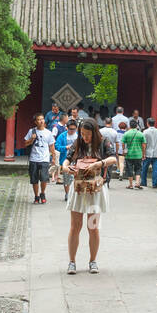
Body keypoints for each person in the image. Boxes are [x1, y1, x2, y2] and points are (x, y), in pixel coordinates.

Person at [63, 118, 119, 275]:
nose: (85, 137)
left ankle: (93, 261)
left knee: (92, 227)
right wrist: (67, 168)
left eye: (87, 134)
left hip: (95, 191)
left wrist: (98, 164)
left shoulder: (103, 142)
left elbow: (113, 158)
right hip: (79, 189)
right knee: (75, 226)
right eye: (82, 134)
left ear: (94, 132)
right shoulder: (78, 143)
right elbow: (66, 161)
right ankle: (72, 261)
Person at [23, 113, 53, 204]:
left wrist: (54, 158)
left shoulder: (48, 132)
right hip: (34, 158)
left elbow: (51, 146)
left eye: (42, 119)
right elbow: (25, 144)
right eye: (39, 120)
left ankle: (42, 193)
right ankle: (36, 196)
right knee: (34, 179)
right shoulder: (31, 131)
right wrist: (31, 139)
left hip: (44, 158)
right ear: (35, 122)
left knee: (44, 178)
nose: (41, 121)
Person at [55, 119, 78, 201]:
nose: (72, 131)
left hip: (76, 160)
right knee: (66, 178)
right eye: (70, 129)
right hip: (65, 159)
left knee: (75, 177)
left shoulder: (78, 136)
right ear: (67, 128)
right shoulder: (62, 136)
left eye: (74, 129)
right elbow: (56, 146)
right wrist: (65, 147)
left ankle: (75, 193)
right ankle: (67, 193)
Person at [121, 118, 146, 189]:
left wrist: (124, 150)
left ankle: (131, 184)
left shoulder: (126, 133)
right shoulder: (141, 134)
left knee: (129, 169)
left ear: (130, 125)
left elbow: (123, 143)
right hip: (138, 154)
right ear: (137, 126)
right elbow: (144, 145)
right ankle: (137, 182)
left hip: (129, 155)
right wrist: (143, 154)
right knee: (138, 169)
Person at [141, 117, 157, 188]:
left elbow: (144, 144)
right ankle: (155, 184)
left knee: (144, 169)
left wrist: (143, 153)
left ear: (147, 123)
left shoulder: (145, 132)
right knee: (155, 170)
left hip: (147, 153)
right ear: (154, 123)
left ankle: (144, 183)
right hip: (156, 153)